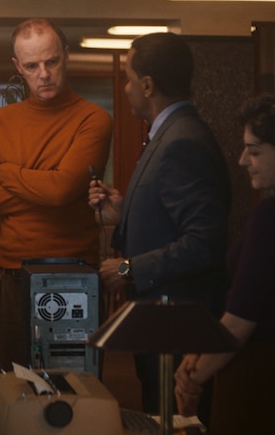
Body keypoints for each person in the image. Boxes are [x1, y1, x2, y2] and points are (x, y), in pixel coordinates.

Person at [88, 32, 231, 415]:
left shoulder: (181, 141)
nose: (127, 87)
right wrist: (124, 211)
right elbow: (170, 220)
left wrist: (129, 267)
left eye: (130, 78)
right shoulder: (167, 134)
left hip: (177, 328)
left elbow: (206, 241)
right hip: (160, 324)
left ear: (148, 85)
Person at [0, 18, 113, 372]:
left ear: (67, 56)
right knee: (12, 388)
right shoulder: (0, 121)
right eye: (32, 66)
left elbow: (62, 190)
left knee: (77, 393)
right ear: (18, 68)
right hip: (9, 276)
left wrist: (5, 172)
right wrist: (49, 187)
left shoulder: (93, 119)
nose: (43, 73)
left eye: (51, 62)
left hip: (74, 274)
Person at [174, 94, 275, 435]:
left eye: (254, 150)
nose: (242, 160)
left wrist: (191, 378)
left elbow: (240, 322)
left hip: (259, 384)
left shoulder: (268, 216)